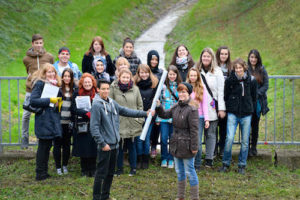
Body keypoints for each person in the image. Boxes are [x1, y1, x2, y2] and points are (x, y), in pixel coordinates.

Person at [90, 79, 153, 200]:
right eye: (103, 89)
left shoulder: (112, 102)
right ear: (98, 90)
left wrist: (145, 113)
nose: (106, 91)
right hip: (105, 146)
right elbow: (94, 128)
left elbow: (126, 111)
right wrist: (102, 143)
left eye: (107, 88)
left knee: (110, 173)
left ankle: (105, 196)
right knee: (101, 174)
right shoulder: (97, 105)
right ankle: (96, 197)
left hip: (115, 144)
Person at [156, 82, 199, 200]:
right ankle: (181, 196)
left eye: (184, 92)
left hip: (187, 145)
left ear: (188, 93)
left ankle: (194, 197)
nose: (181, 94)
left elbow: (195, 130)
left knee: (190, 171)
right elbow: (165, 114)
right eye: (179, 92)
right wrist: (159, 106)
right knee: (179, 171)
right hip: (176, 144)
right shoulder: (176, 106)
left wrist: (194, 147)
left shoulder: (192, 109)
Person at [219, 58, 257, 175]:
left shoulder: (251, 80)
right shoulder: (230, 80)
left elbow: (254, 96)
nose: (239, 70)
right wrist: (230, 105)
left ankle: (242, 164)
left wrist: (250, 108)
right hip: (233, 113)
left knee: (245, 141)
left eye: (240, 68)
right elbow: (226, 95)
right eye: (237, 68)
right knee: (229, 138)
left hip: (246, 114)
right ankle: (226, 163)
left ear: (244, 68)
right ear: (234, 69)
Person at [21, 34, 54, 149]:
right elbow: (28, 72)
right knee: (26, 114)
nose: (39, 45)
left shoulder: (49, 57)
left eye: (40, 43)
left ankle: (45, 137)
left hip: (45, 90)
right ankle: (24, 138)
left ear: (43, 43)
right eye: (36, 43)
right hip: (31, 90)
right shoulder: (26, 59)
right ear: (32, 44)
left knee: (45, 114)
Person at [30, 63, 62, 180]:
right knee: (43, 147)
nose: (51, 74)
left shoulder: (55, 85)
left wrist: (58, 101)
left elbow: (56, 101)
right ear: (44, 74)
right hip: (43, 119)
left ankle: (44, 171)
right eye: (48, 72)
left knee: (47, 146)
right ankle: (40, 173)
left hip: (51, 118)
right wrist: (50, 99)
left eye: (53, 72)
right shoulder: (39, 84)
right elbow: (33, 101)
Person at [110, 68, 144, 176]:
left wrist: (139, 120)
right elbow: (109, 103)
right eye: (123, 77)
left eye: (127, 77)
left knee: (131, 145)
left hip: (132, 122)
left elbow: (140, 105)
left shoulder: (135, 89)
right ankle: (119, 168)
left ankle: (133, 168)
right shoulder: (113, 88)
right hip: (118, 121)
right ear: (119, 77)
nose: (125, 79)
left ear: (130, 78)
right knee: (118, 146)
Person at [196, 47, 226, 168]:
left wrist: (221, 109)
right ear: (201, 57)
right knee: (197, 135)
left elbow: (221, 91)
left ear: (212, 58)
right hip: (198, 109)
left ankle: (209, 158)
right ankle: (197, 159)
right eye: (204, 56)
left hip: (212, 108)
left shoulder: (217, 71)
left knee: (211, 134)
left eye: (208, 56)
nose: (206, 58)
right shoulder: (196, 70)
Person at [71, 73, 98, 177]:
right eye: (85, 82)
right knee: (83, 148)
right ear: (82, 83)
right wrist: (84, 113)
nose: (87, 84)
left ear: (93, 83)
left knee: (93, 147)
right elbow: (73, 109)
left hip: (94, 123)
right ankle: (84, 170)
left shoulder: (96, 93)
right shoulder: (77, 93)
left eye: (89, 82)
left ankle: (93, 169)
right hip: (81, 124)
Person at [156, 65, 182, 168]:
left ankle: (171, 158)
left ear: (176, 75)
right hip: (163, 117)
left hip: (175, 117)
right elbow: (160, 102)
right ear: (167, 75)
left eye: (174, 74)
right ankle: (164, 158)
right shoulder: (162, 86)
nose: (172, 76)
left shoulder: (180, 86)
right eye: (170, 74)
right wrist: (158, 117)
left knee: (173, 139)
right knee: (163, 138)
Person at [133, 64, 158, 169]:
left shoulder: (153, 84)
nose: (144, 75)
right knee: (138, 138)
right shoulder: (135, 85)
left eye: (146, 72)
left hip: (149, 117)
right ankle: (139, 158)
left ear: (149, 73)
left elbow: (155, 101)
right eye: (142, 72)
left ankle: (145, 159)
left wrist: (154, 112)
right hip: (138, 115)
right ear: (138, 73)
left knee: (147, 138)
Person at [53, 68, 76, 175]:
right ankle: (58, 167)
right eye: (65, 76)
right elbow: (52, 105)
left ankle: (65, 165)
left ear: (71, 78)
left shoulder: (74, 90)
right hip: (58, 122)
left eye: (69, 76)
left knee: (67, 145)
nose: (67, 78)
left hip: (69, 123)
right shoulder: (57, 90)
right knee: (57, 144)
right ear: (62, 77)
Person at [186, 68, 209, 171]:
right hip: (187, 117)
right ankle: (189, 163)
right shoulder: (185, 87)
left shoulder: (201, 88)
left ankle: (197, 164)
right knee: (188, 140)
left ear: (198, 77)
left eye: (195, 75)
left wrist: (206, 119)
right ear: (188, 76)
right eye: (191, 75)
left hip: (199, 118)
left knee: (197, 142)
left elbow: (205, 105)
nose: (193, 77)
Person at [247, 49, 269, 156]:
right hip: (247, 102)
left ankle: (254, 147)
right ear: (249, 58)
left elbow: (266, 85)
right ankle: (246, 147)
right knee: (246, 126)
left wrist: (257, 94)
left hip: (258, 102)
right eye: (251, 57)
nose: (253, 59)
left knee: (255, 126)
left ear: (258, 58)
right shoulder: (245, 69)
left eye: (255, 57)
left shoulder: (262, 69)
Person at [215, 46, 232, 157]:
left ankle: (222, 149)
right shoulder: (214, 67)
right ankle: (213, 149)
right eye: (222, 54)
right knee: (213, 127)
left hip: (226, 100)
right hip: (215, 100)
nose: (224, 56)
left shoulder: (231, 68)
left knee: (223, 127)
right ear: (218, 54)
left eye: (226, 54)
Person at [147, 50, 163, 158]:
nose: (154, 61)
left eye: (156, 59)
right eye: (152, 59)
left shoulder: (161, 72)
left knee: (157, 124)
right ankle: (146, 145)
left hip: (157, 101)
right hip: (147, 101)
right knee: (148, 124)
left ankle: (154, 146)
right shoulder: (145, 70)